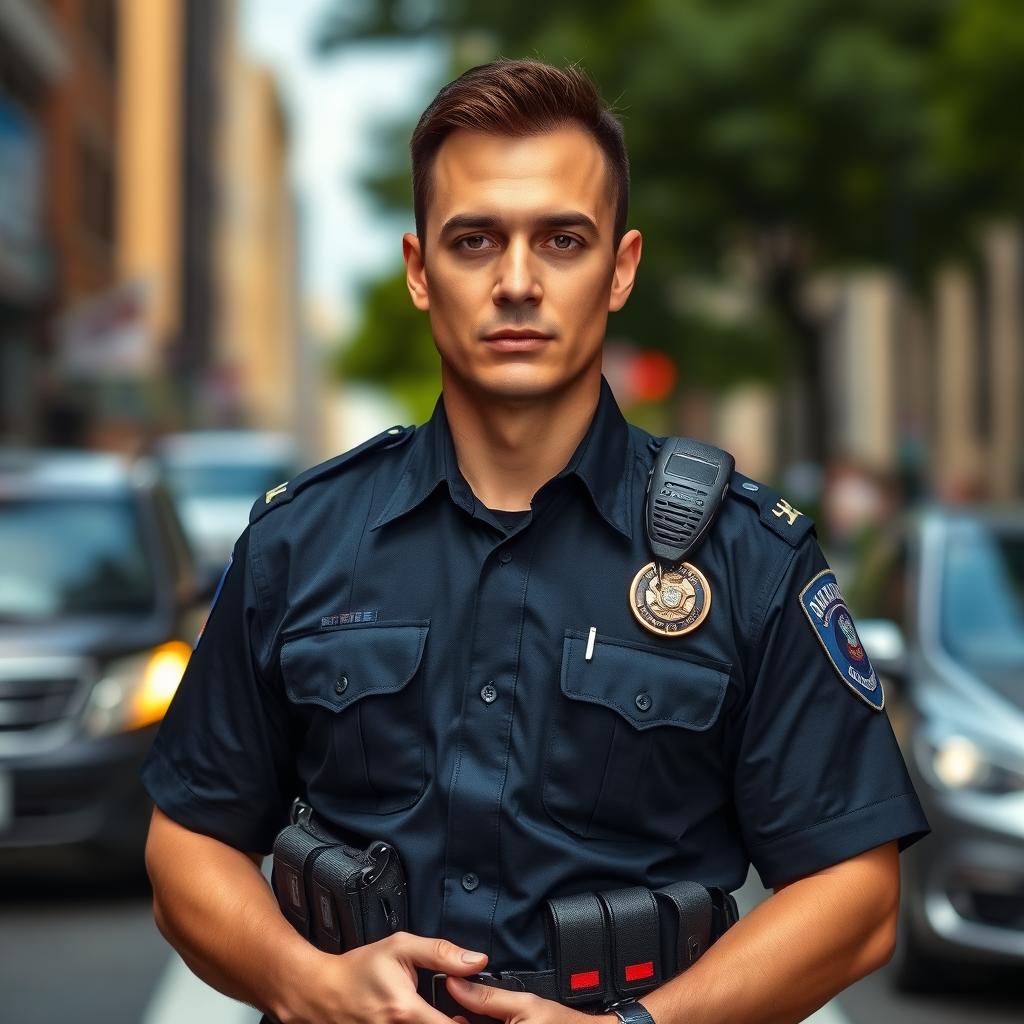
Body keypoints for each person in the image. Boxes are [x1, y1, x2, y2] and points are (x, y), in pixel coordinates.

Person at [142, 59, 929, 1024]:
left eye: (563, 239)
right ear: (421, 271)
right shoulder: (298, 544)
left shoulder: (749, 561)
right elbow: (185, 845)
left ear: (622, 268)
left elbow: (856, 897)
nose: (518, 282)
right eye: (475, 241)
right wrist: (304, 983)